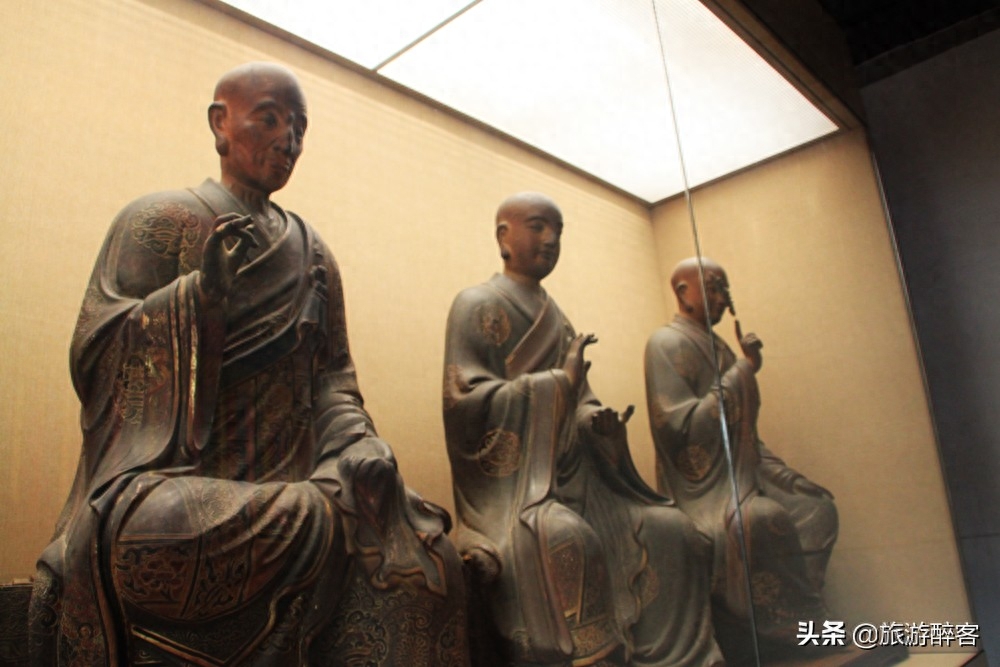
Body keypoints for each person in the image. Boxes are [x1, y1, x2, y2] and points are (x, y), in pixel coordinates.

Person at [29, 62, 468, 666]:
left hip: (300, 485)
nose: (289, 140)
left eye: (300, 128)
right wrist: (196, 301)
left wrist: (358, 444)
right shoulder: (158, 221)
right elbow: (95, 354)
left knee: (429, 554)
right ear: (221, 123)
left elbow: (335, 382)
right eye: (270, 120)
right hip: (178, 488)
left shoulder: (314, 253)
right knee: (155, 533)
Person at [442, 192, 722, 667]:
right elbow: (465, 402)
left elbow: (582, 400)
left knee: (670, 529)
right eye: (538, 226)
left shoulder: (557, 317)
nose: (551, 238)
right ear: (504, 237)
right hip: (520, 494)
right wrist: (557, 383)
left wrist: (598, 424)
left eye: (558, 230)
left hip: (585, 480)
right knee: (566, 536)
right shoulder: (477, 304)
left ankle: (676, 659)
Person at [644, 257, 838, 661]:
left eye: (726, 290)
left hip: (742, 475)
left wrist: (785, 477)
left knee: (815, 508)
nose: (723, 299)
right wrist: (744, 371)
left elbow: (745, 438)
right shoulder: (665, 344)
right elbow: (679, 429)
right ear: (683, 292)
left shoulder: (720, 349)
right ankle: (781, 627)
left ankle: (807, 617)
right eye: (715, 288)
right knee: (761, 518)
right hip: (700, 487)